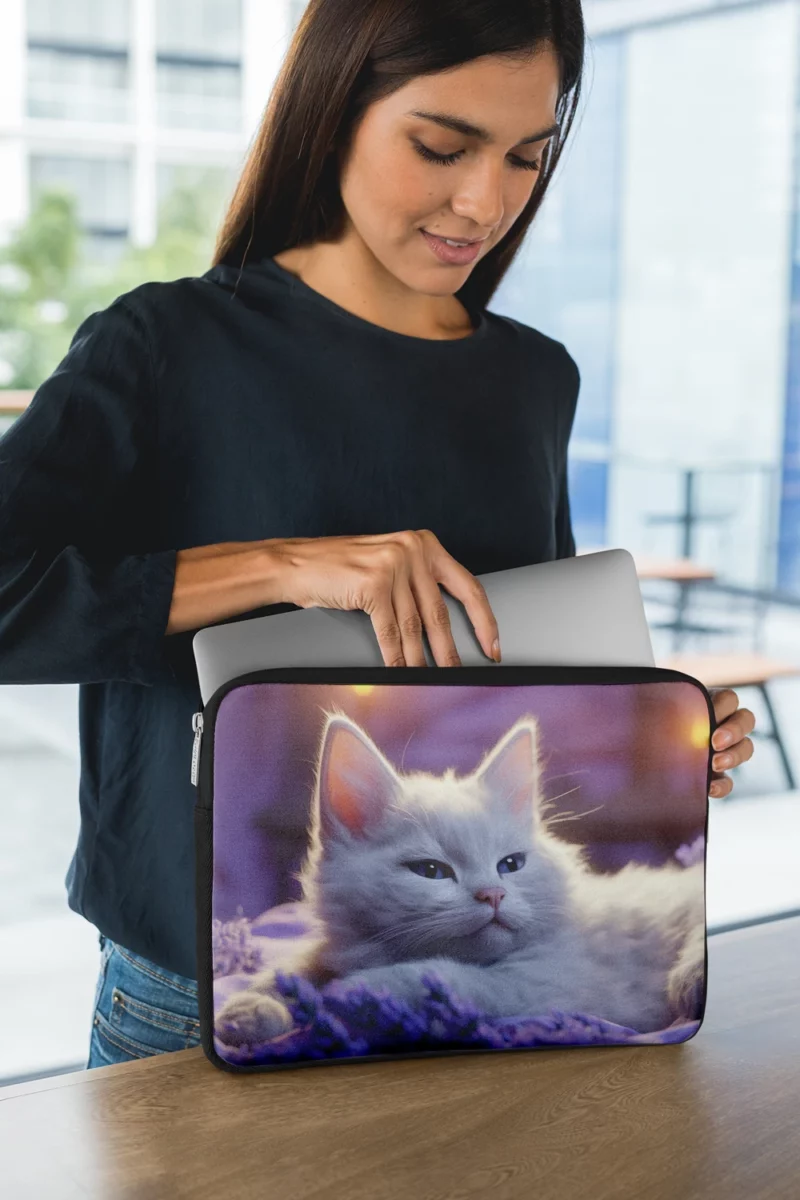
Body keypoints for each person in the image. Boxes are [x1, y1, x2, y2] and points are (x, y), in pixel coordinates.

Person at [0, 0, 755, 1069]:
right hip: (200, 996)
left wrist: (672, 728)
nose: (482, 201)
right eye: (440, 147)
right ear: (333, 108)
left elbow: (520, 665)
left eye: (524, 158)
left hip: (497, 1003)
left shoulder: (535, 378)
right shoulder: (164, 345)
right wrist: (289, 567)